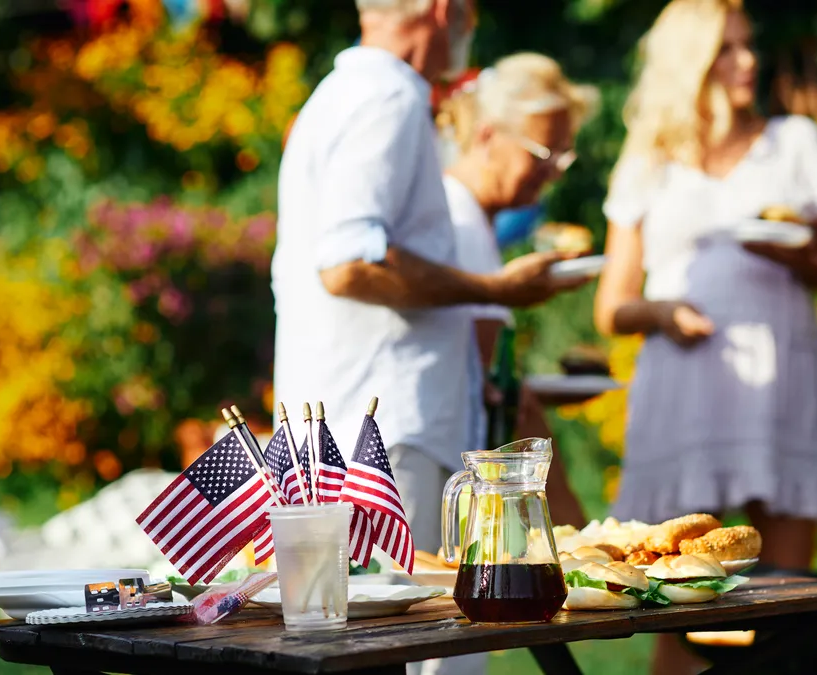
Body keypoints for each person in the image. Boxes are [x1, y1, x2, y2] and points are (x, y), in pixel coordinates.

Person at [271, 1, 586, 673]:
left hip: (353, 426)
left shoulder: (342, 95)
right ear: (444, 11)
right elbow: (350, 262)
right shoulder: (386, 95)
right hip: (389, 434)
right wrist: (497, 289)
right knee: (420, 654)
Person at [592, 0, 817, 671]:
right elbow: (613, 305)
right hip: (685, 388)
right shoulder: (650, 160)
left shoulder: (794, 142)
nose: (749, 61)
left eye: (748, 46)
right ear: (692, 63)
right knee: (677, 604)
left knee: (787, 606)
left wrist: (796, 260)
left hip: (783, 376)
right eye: (728, 50)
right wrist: (663, 313)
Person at [437, 53, 598, 527]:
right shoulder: (459, 221)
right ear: (488, 135)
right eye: (543, 154)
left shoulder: (473, 221)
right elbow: (504, 390)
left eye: (564, 158)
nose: (554, 173)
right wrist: (571, 528)